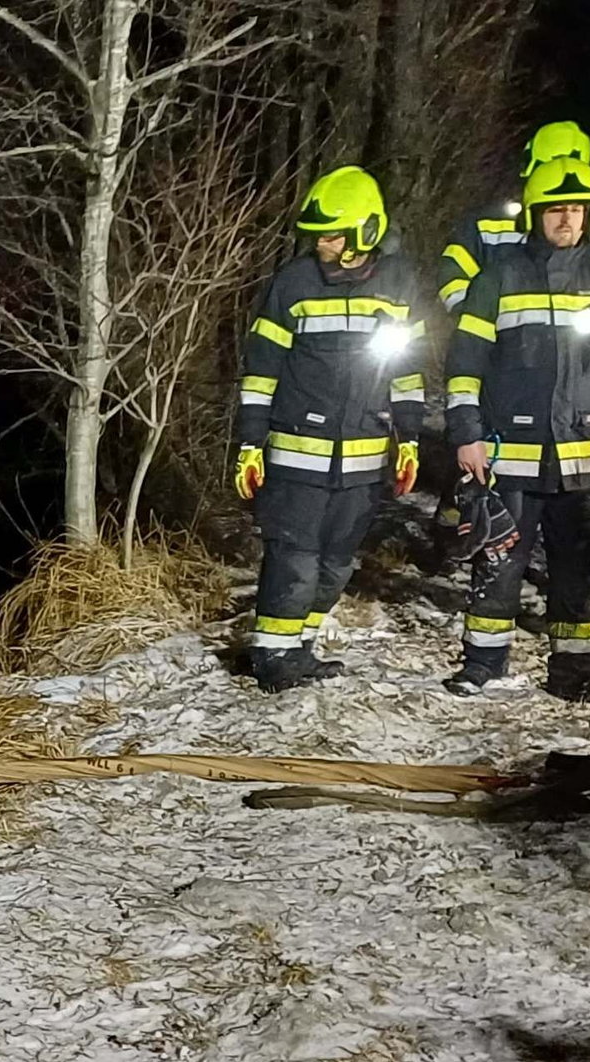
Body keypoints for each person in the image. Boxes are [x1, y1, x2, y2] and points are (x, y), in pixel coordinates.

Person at [442, 156, 590, 703]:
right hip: (510, 455)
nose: (566, 219)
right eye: (555, 209)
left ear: (589, 215)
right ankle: (482, 665)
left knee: (588, 571)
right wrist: (466, 433)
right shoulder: (498, 278)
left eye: (576, 209)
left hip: (586, 458)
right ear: (536, 214)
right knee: (498, 562)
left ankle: (580, 677)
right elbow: (464, 365)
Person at [234, 165, 426, 692]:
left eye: (333, 235)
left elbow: (408, 372)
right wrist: (250, 442)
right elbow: (261, 372)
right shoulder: (293, 283)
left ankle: (299, 647)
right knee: (293, 558)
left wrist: (410, 440)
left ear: (366, 231)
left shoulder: (399, 286)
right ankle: (272, 656)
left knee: (337, 563)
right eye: (318, 236)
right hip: (296, 454)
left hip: (363, 458)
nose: (321, 244)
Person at [437, 120, 590, 315]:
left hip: (569, 334)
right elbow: (453, 276)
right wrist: (476, 318)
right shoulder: (485, 227)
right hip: (500, 332)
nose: (566, 217)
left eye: (575, 209)